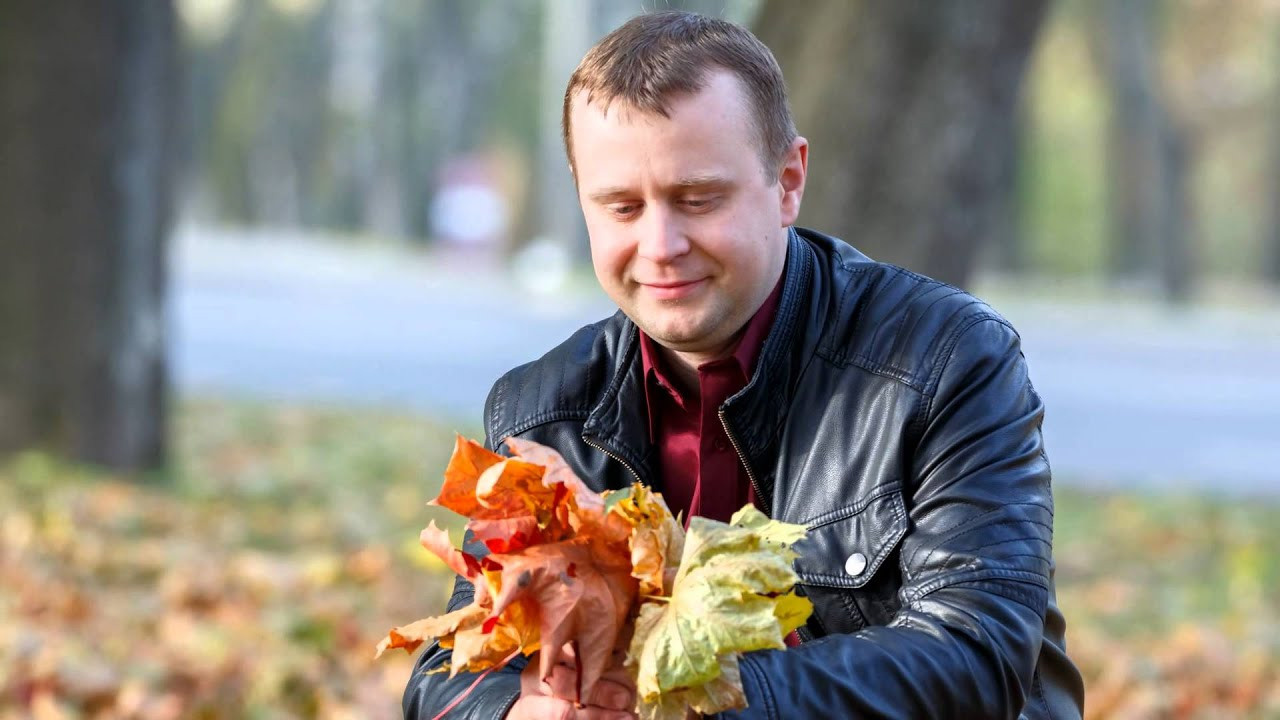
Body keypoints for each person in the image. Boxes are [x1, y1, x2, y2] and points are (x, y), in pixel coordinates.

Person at [404, 11, 1085, 720]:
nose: (660, 244)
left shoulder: (947, 360)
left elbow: (978, 656)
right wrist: (525, 714)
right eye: (622, 207)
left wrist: (700, 702)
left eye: (698, 200)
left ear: (788, 181)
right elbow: (453, 669)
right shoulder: (542, 410)